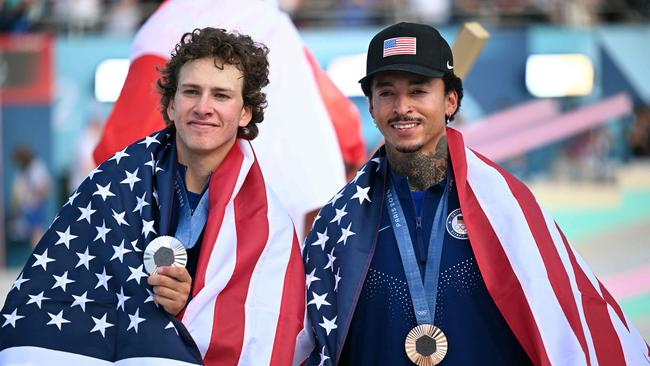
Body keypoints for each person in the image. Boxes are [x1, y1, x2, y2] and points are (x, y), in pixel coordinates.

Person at [297, 22, 649, 365]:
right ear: (371, 106)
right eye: (387, 92)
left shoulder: (506, 206)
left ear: (450, 100)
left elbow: (568, 317)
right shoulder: (337, 222)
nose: (402, 107)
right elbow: (301, 334)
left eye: (418, 91)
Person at [0, 27, 304, 366]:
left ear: (245, 112)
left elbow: (256, 329)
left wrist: (187, 304)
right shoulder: (112, 184)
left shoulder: (269, 226)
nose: (203, 107)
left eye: (221, 95)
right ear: (172, 106)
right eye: (191, 92)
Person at [10, 145, 52, 247]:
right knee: (31, 232)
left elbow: (44, 186)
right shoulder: (22, 169)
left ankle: (38, 253)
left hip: (35, 205)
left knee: (37, 231)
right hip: (27, 206)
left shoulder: (36, 166)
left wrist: (34, 196)